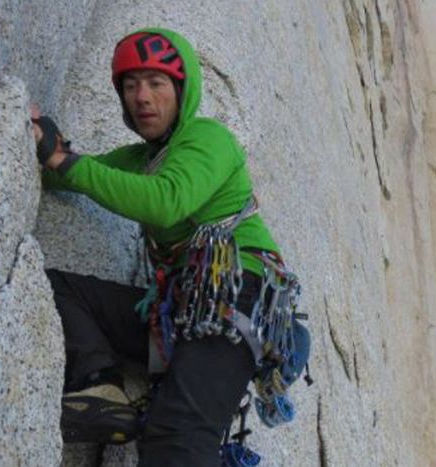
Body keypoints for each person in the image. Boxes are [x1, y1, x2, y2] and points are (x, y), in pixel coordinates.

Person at [32, 28, 294, 466]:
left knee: (177, 435)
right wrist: (41, 139)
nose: (142, 97)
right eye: (131, 85)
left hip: (238, 298)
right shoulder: (140, 159)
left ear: (182, 89)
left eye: (156, 84)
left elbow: (167, 202)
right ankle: (100, 387)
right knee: (62, 290)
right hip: (183, 311)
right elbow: (72, 174)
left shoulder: (207, 139)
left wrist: (64, 161)